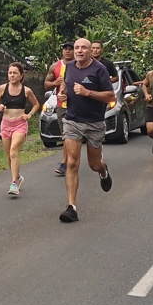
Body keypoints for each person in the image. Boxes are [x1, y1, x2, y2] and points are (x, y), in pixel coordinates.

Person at [57, 37, 115, 222]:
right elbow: (66, 83)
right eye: (76, 48)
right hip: (73, 120)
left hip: (94, 123)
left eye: (84, 48)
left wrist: (87, 92)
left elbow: (110, 96)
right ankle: (71, 207)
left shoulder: (100, 69)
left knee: (93, 165)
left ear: (91, 51)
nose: (79, 50)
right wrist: (63, 92)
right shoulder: (70, 67)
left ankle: (103, 171)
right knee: (72, 163)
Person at [0, 61, 40, 196]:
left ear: (21, 75)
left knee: (14, 152)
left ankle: (14, 183)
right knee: (9, 155)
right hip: (6, 124)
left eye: (15, 73)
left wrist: (29, 114)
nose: (12, 75)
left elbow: (36, 104)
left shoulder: (26, 90)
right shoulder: (2, 88)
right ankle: (17, 177)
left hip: (20, 124)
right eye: (10, 73)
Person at [44, 42, 75, 177]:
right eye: (65, 49)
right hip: (62, 106)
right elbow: (46, 84)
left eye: (70, 49)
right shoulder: (55, 66)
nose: (67, 51)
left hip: (78, 105)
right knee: (66, 136)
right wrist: (55, 83)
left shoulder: (80, 65)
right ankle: (65, 162)